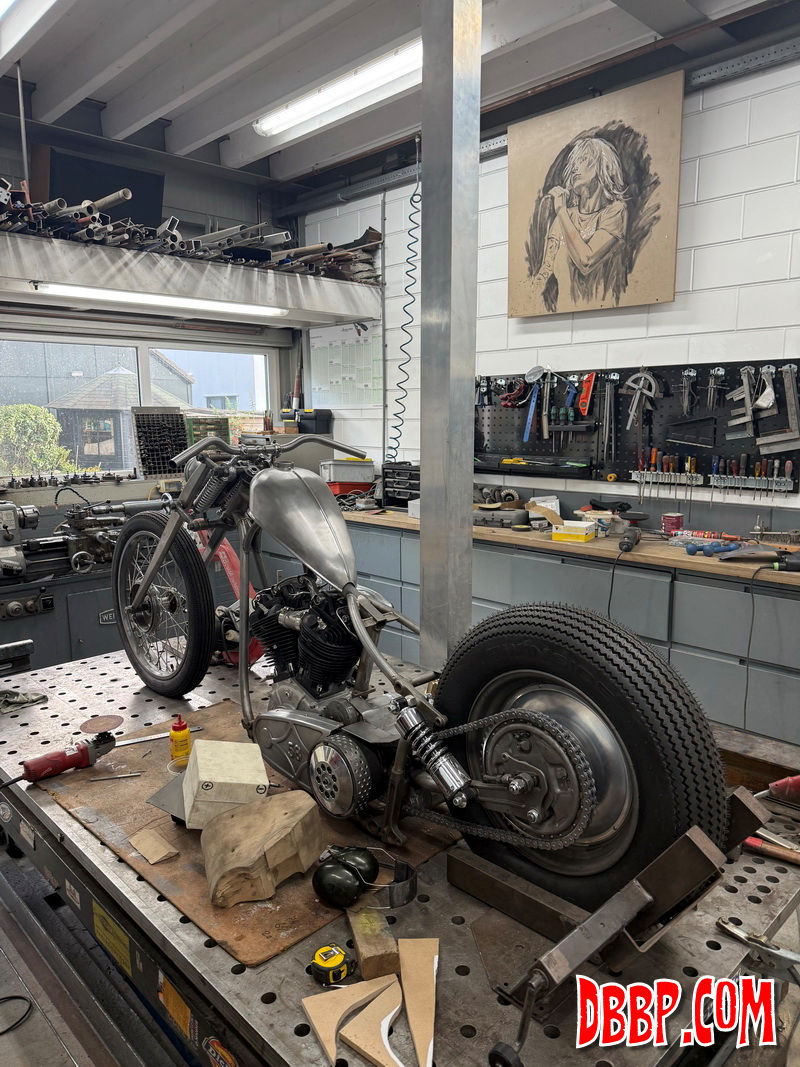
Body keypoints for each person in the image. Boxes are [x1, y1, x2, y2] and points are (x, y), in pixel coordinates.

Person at [531, 136, 628, 310]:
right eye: (574, 162)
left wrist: (561, 211)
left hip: (604, 313)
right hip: (563, 312)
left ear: (602, 167)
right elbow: (545, 271)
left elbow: (587, 261)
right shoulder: (564, 217)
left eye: (583, 160)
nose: (575, 167)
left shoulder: (614, 212)